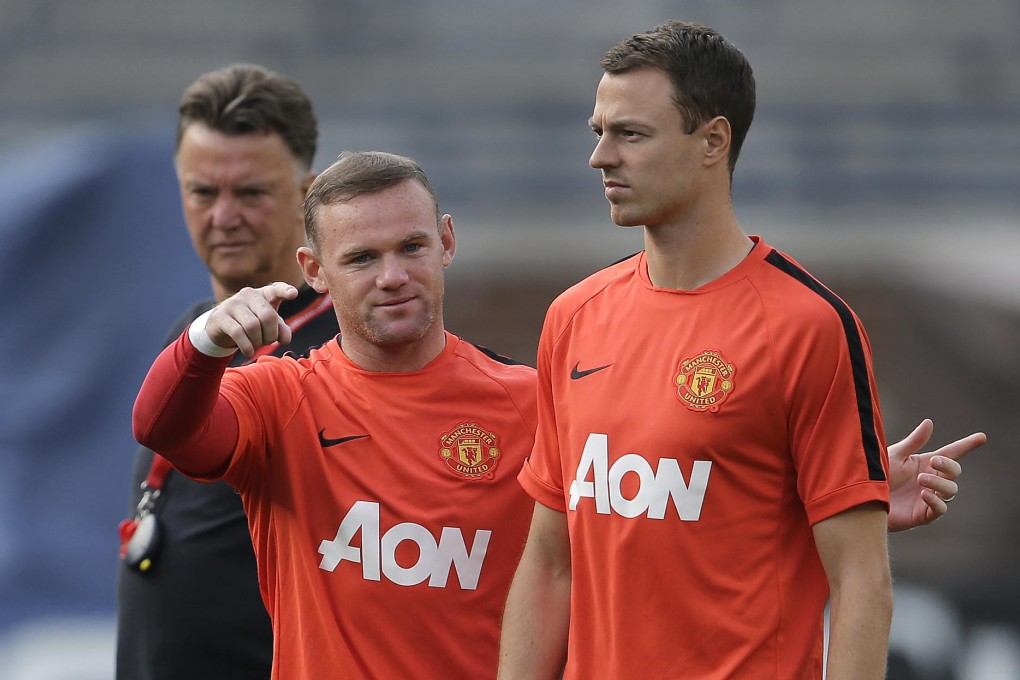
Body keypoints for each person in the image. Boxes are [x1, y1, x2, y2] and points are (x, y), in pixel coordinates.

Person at [497, 21, 987, 679]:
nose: (600, 157)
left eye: (630, 134)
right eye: (598, 133)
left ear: (714, 141)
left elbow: (862, 581)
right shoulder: (574, 317)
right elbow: (551, 561)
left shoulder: (808, 325)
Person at [131, 151, 538, 679]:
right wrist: (205, 337)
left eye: (412, 247)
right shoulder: (279, 398)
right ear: (315, 271)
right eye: (362, 258)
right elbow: (163, 428)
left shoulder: (529, 402)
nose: (393, 276)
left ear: (447, 242)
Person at [116, 64, 338, 680]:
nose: (224, 216)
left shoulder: (343, 356)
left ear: (308, 194)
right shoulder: (191, 333)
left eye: (252, 193)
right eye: (202, 192)